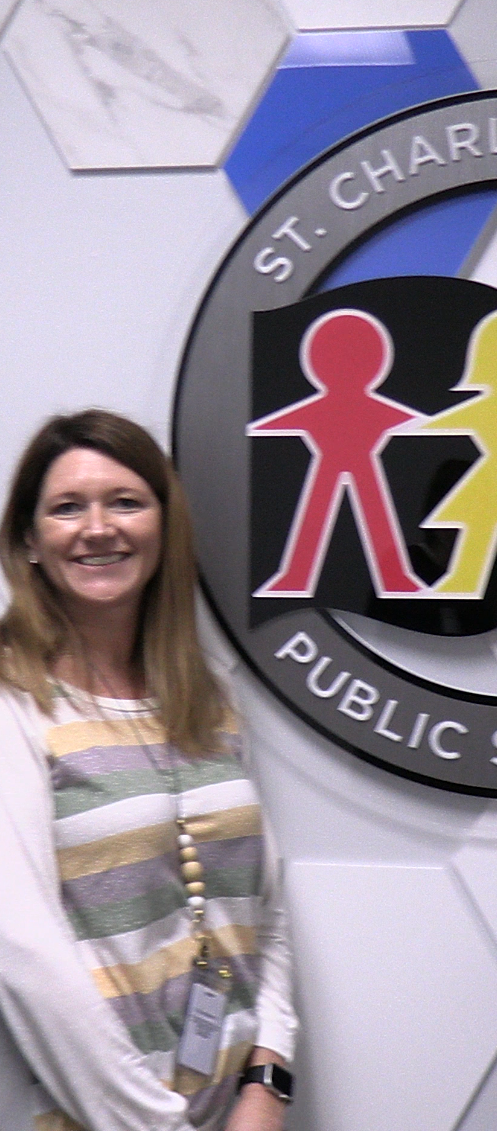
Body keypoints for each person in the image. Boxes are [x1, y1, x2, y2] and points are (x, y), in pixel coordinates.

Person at [0, 411, 297, 1131]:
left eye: (125, 502)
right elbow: (21, 950)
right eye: (67, 507)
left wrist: (269, 1076)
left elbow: (266, 908)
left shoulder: (209, 696)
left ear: (166, 527)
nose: (98, 528)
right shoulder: (13, 699)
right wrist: (156, 1124)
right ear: (30, 542)